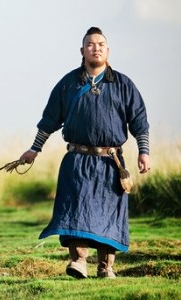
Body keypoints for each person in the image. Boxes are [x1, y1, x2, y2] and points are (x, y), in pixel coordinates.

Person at [15, 27, 150, 279]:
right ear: (82, 50)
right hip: (76, 161)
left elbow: (139, 120)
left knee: (109, 214)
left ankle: (106, 267)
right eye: (90, 44)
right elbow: (49, 120)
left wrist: (144, 151)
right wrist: (34, 149)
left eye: (100, 44)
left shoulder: (123, 84)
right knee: (75, 210)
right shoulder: (68, 83)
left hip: (111, 163)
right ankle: (78, 262)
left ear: (107, 50)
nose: (95, 47)